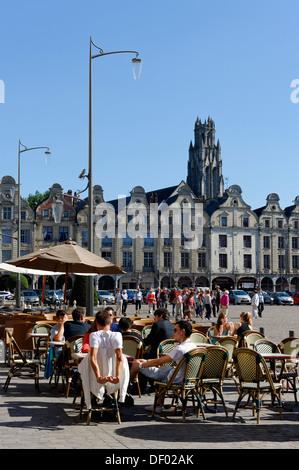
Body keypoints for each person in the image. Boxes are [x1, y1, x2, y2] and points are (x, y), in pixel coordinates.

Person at [130, 320, 196, 412]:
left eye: (175, 330)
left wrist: (141, 365)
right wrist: (147, 361)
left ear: (182, 331)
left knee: (137, 365)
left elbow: (159, 361)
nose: (173, 332)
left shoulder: (180, 349)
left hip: (175, 378)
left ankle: (125, 389)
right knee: (162, 368)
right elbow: (160, 362)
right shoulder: (193, 346)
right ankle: (158, 404)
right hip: (188, 378)